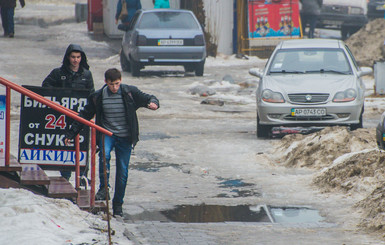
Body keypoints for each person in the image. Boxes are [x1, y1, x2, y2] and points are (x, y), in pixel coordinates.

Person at [64, 68, 159, 217]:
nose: (114, 88)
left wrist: (153, 103)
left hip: (125, 137)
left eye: (117, 84)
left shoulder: (129, 92)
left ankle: (118, 205)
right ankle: (104, 188)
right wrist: (71, 133)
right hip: (108, 133)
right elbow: (84, 115)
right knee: (104, 155)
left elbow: (149, 98)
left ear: (120, 81)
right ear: (105, 82)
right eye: (111, 84)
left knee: (122, 172)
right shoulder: (98, 96)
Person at [42, 44, 95, 181]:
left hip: (80, 117)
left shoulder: (87, 74)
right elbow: (45, 86)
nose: (75, 60)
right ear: (68, 57)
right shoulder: (57, 73)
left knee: (82, 147)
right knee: (64, 146)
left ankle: (82, 178)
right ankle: (65, 178)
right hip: (62, 117)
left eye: (78, 57)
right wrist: (57, 98)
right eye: (73, 57)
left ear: (82, 58)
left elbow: (92, 95)